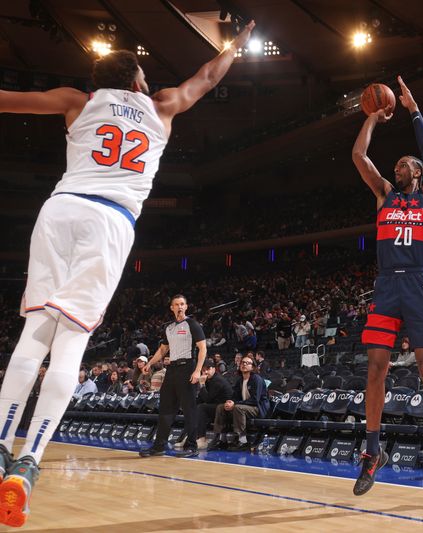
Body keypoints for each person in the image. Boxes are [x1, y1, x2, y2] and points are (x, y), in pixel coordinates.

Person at [0, 21, 256, 523]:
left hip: (61, 208)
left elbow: (8, 99)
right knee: (71, 341)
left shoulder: (78, 100)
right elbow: (205, 78)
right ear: (137, 80)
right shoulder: (160, 106)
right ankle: (28, 463)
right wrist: (236, 46)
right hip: (110, 221)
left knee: (36, 332)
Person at [352, 75, 423, 499]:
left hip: (419, 284)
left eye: (404, 164)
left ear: (417, 172)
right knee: (375, 368)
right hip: (386, 286)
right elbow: (358, 155)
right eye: (395, 165)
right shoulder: (384, 196)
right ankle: (372, 453)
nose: (397, 167)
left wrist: (414, 111)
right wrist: (373, 118)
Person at [139, 294, 207, 458]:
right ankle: (159, 446)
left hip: (187, 368)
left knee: (189, 409)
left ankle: (192, 446)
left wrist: (197, 370)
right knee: (165, 410)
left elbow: (203, 348)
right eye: (176, 304)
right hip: (172, 370)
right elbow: (163, 350)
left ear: (186, 306)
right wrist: (149, 363)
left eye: (182, 304)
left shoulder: (193, 324)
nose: (180, 307)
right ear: (172, 308)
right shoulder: (168, 328)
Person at [207, 354, 270, 451]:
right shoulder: (240, 380)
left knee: (238, 408)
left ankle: (243, 441)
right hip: (244, 407)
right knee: (221, 407)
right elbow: (234, 396)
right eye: (242, 363)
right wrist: (230, 402)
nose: (244, 364)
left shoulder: (257, 379)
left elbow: (255, 400)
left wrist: (235, 404)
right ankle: (220, 438)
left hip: (258, 408)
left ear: (252, 367)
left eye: (247, 363)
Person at [194, 358, 233, 450]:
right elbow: (200, 398)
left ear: (214, 369)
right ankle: (190, 437)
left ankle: (201, 439)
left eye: (208, 369)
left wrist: (202, 384)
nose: (206, 371)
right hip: (216, 406)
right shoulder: (208, 380)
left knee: (201, 408)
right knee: (194, 408)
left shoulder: (217, 380)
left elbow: (207, 399)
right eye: (203, 370)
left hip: (226, 408)